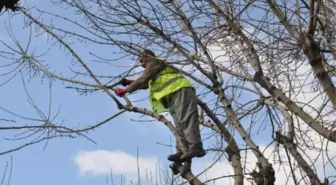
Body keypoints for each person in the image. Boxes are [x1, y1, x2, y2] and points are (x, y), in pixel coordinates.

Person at [114, 49, 206, 162]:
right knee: (179, 125)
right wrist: (129, 82)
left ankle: (196, 147)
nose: (140, 62)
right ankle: (183, 150)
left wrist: (126, 90)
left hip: (179, 89)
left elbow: (144, 78)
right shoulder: (155, 69)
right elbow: (145, 83)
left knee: (186, 119)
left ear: (147, 56)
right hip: (172, 94)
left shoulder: (155, 62)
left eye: (141, 59)